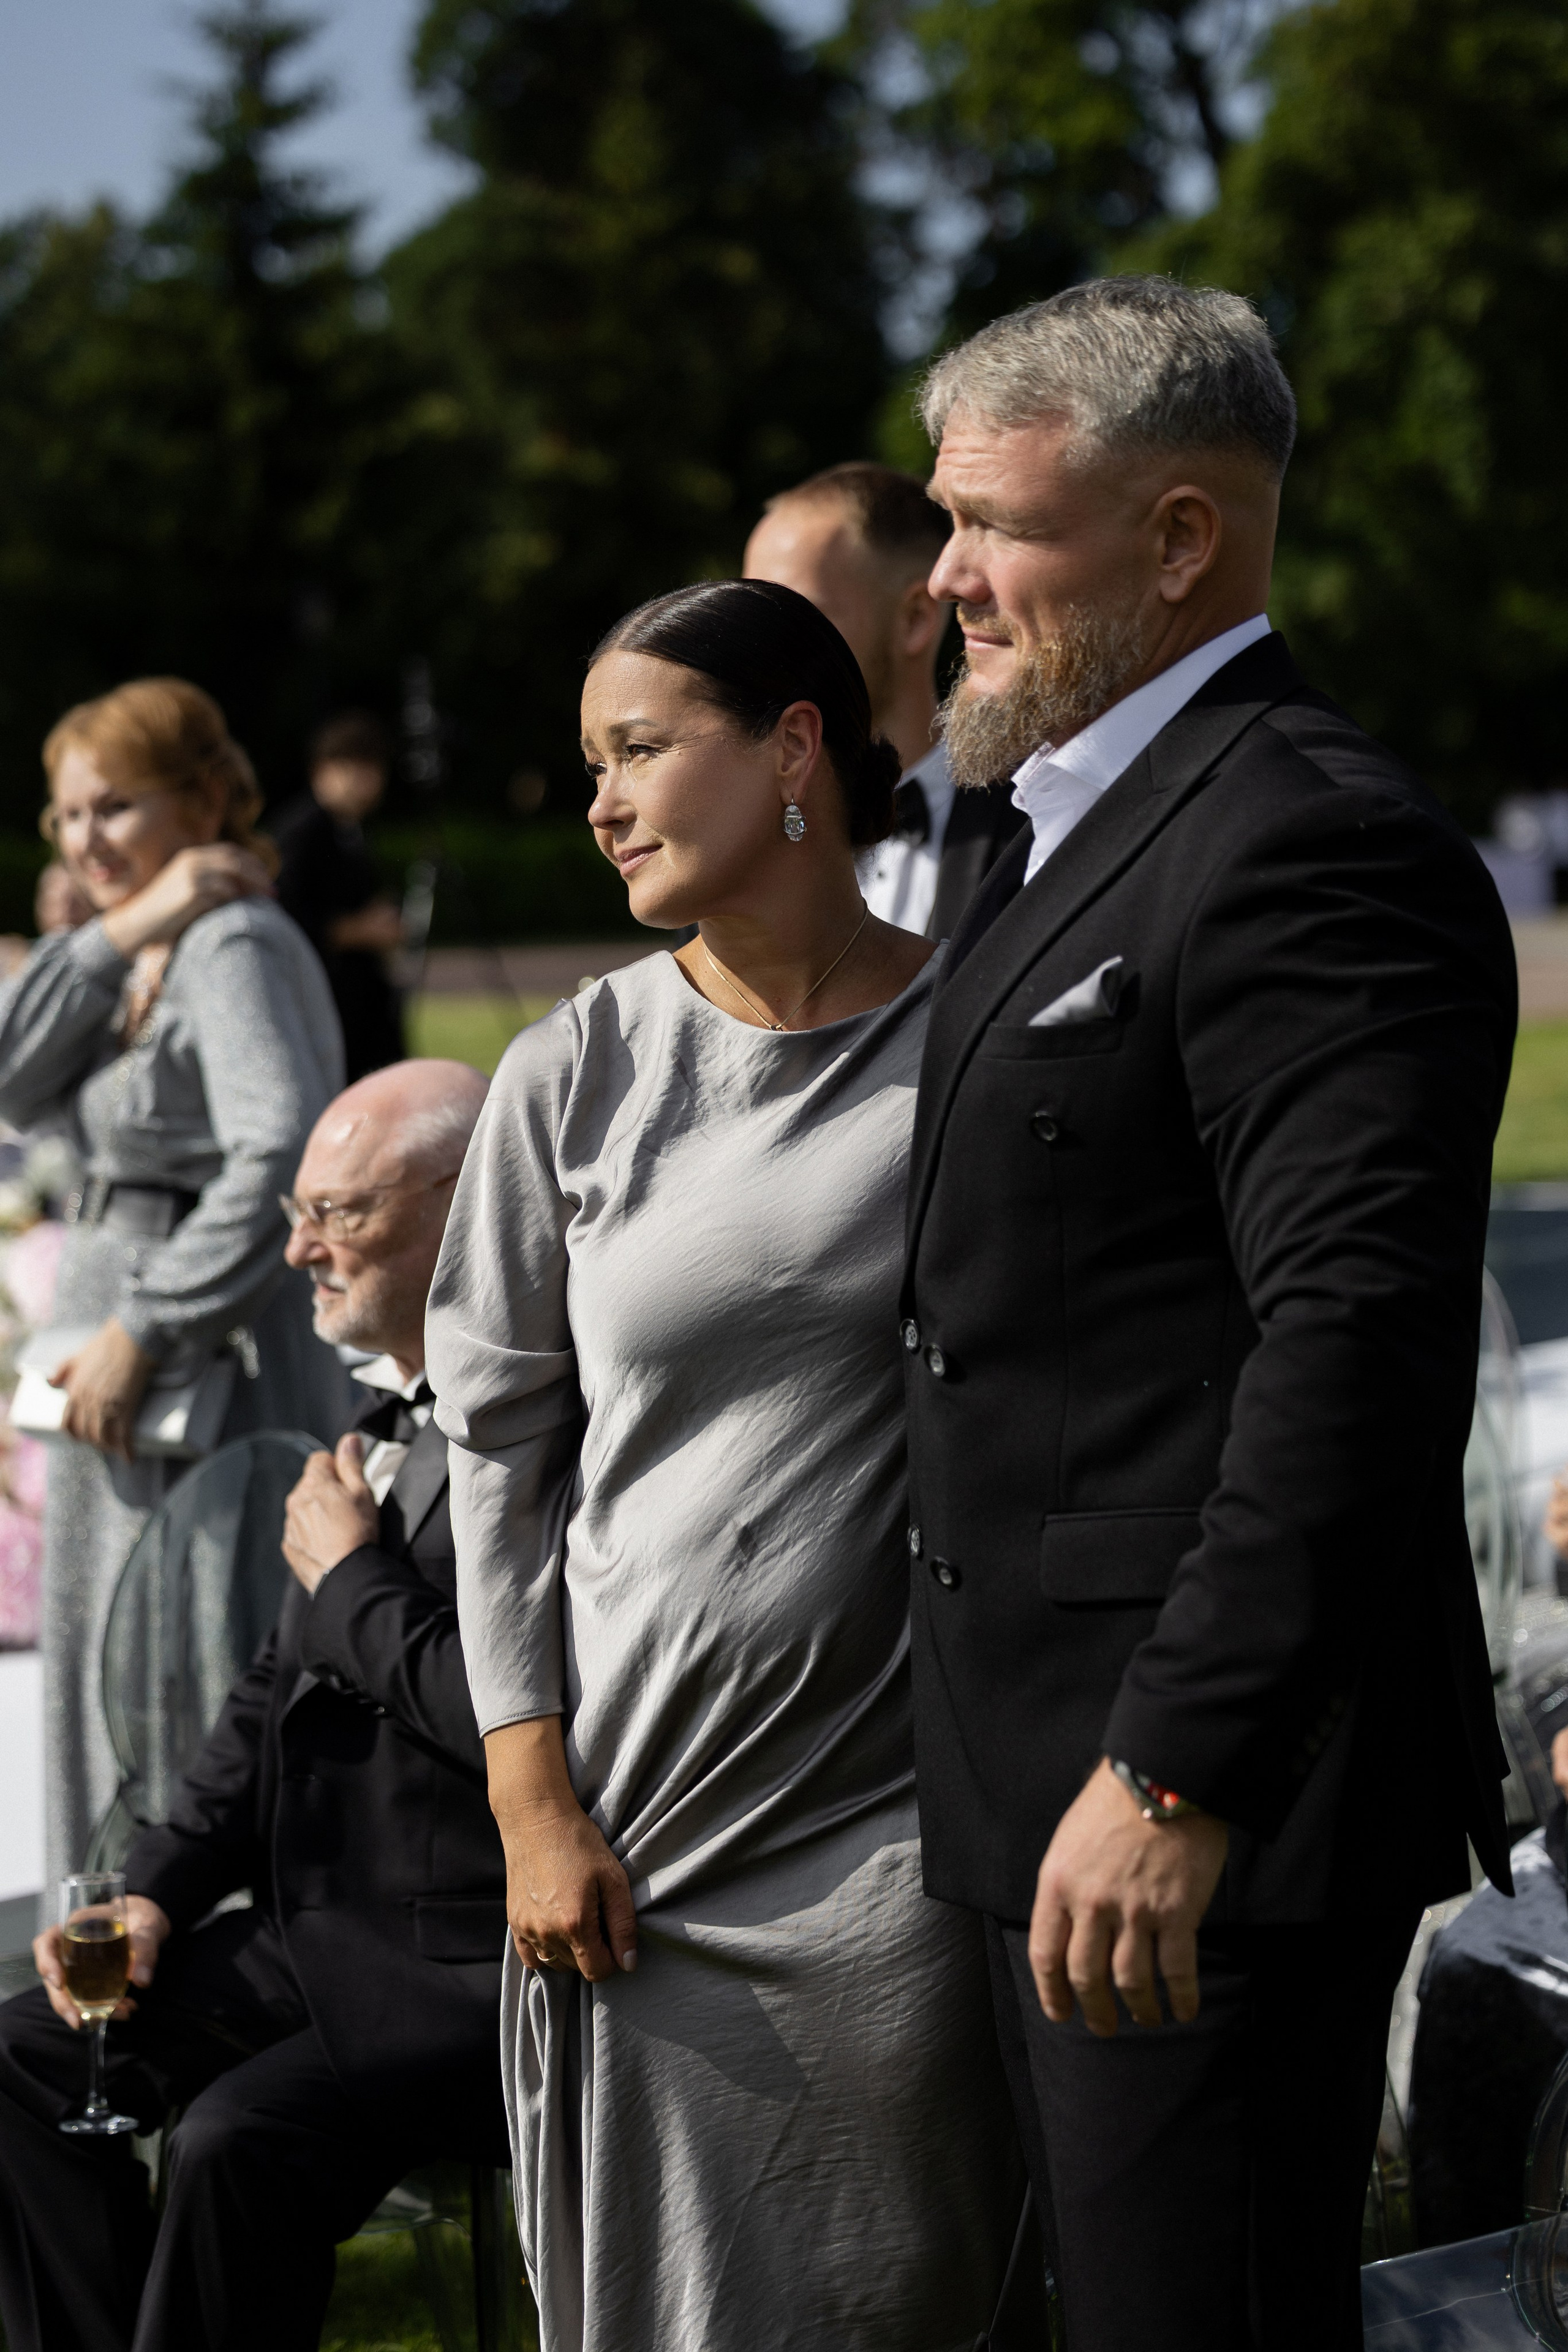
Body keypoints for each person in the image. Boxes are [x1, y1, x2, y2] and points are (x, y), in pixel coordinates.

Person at [899, 276, 1517, 2348]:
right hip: (1026, 1784)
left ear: (1179, 542)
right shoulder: (1037, 824)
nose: (950, 579)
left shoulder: (1312, 842)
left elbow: (1352, 1349)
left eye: (1001, 527)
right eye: (943, 516)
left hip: (1194, 1821)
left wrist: (1178, 1774)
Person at [425, 577, 1023, 2351]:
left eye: (636, 751)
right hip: (623, 1842)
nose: (600, 802)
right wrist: (531, 1804)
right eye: (589, 763)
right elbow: (492, 1453)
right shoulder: (573, 1071)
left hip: (886, 1837)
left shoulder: (979, 1043)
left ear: (792, 749)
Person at [0, 1057, 503, 2352]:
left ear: (465, 1201)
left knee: (232, 2142)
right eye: (298, 1212)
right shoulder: (376, 1418)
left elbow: (513, 1717)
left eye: (340, 1213)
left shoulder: (538, 1432)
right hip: (309, 1935)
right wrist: (156, 1889)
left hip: (466, 1965)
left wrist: (352, 1576)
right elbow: (272, 1697)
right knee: (18, 2061)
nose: (298, 1251)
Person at [0, 679, 352, 1891]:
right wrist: (112, 926)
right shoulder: (147, 938)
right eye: (64, 817)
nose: (83, 838)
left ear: (200, 798)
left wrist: (146, 1328)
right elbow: (7, 1071)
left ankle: (175, 1990)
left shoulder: (233, 941)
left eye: (114, 807)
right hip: (131, 1382)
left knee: (185, 1679)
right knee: (121, 1673)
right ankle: (104, 1973)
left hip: (201, 1378)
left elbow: (281, 1149)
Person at [745, 460, 1024, 938]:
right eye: (751, 616)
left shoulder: (1035, 824)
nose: (758, 648)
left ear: (916, 618)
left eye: (796, 614)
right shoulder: (740, 835)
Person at [271, 710, 407, 1080]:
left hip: (356, 999)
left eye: (373, 768)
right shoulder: (302, 832)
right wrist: (359, 930)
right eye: (354, 767)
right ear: (323, 769)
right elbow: (283, 914)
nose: (367, 781)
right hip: (324, 1000)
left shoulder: (349, 829)